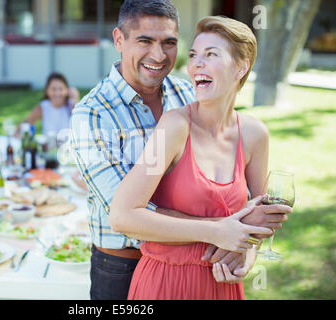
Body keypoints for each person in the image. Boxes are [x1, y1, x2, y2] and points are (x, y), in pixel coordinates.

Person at [71, 0, 291, 300]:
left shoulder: (190, 93)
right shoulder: (91, 115)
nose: (159, 55)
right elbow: (123, 212)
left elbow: (255, 208)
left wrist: (247, 248)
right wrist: (224, 230)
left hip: (211, 268)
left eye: (170, 43)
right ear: (119, 40)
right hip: (123, 265)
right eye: (145, 41)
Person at [18, 72, 79, 137]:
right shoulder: (43, 107)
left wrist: (76, 99)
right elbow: (24, 124)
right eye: (53, 89)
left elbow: (81, 127)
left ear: (67, 90)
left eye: (61, 89)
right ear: (47, 91)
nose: (57, 93)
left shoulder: (72, 105)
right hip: (49, 146)